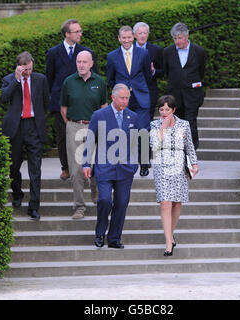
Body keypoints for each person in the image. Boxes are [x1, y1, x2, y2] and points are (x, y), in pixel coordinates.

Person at [83, 84, 140, 249]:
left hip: (125, 168)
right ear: (113, 97)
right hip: (104, 166)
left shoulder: (133, 116)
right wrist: (86, 163)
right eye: (122, 98)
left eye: (128, 98)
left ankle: (114, 238)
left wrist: (135, 163)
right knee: (105, 200)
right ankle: (100, 232)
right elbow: (90, 140)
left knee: (121, 203)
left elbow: (135, 142)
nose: (125, 101)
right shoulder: (99, 115)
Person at [46, 18, 98, 181]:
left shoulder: (86, 53)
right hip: (60, 102)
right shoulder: (53, 53)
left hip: (82, 102)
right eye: (77, 31)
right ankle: (66, 167)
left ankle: (85, 166)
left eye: (80, 31)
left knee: (84, 136)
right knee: (62, 136)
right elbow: (50, 78)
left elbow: (94, 78)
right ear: (67, 34)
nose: (80, 34)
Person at [0, 51, 49, 221]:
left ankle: (34, 207)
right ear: (18, 67)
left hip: (34, 126)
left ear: (32, 63)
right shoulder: (9, 79)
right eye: (24, 70)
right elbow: (3, 98)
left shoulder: (40, 79)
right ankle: (17, 193)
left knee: (35, 169)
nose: (28, 73)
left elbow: (45, 102)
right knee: (13, 166)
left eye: (29, 69)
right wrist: (16, 80)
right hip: (16, 128)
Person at [60, 50, 107, 219]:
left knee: (95, 165)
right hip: (74, 126)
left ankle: (97, 195)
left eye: (84, 62)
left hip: (94, 127)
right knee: (76, 169)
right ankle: (79, 206)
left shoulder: (100, 82)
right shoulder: (69, 82)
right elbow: (63, 108)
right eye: (78, 61)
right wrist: (71, 125)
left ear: (91, 64)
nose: (81, 65)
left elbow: (104, 106)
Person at [150, 95, 198, 256]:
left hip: (179, 164)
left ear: (174, 110)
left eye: (167, 110)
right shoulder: (154, 125)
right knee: (165, 202)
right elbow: (154, 145)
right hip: (161, 163)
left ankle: (170, 233)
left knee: (177, 203)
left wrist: (194, 163)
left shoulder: (184, 124)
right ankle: (168, 242)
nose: (164, 112)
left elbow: (189, 145)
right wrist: (163, 127)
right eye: (161, 109)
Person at [106, 25, 152, 177]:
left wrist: (142, 90)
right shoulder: (112, 56)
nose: (126, 40)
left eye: (128, 37)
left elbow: (147, 75)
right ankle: (130, 164)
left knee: (143, 131)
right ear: (119, 38)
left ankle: (144, 164)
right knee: (126, 133)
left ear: (133, 37)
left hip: (141, 98)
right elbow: (110, 79)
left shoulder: (143, 53)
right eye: (123, 38)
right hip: (123, 100)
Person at [163, 22, 207, 150]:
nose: (177, 41)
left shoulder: (199, 51)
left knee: (190, 122)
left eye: (180, 38)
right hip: (175, 96)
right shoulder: (168, 52)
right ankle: (179, 152)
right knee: (176, 124)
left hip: (192, 95)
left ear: (187, 36)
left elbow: (201, 71)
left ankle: (191, 153)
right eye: (175, 38)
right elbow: (167, 71)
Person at [133, 22, 164, 120]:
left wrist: (154, 71)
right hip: (132, 92)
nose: (143, 36)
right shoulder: (128, 50)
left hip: (150, 92)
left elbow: (163, 72)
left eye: (145, 33)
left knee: (148, 119)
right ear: (134, 35)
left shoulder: (156, 50)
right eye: (140, 33)